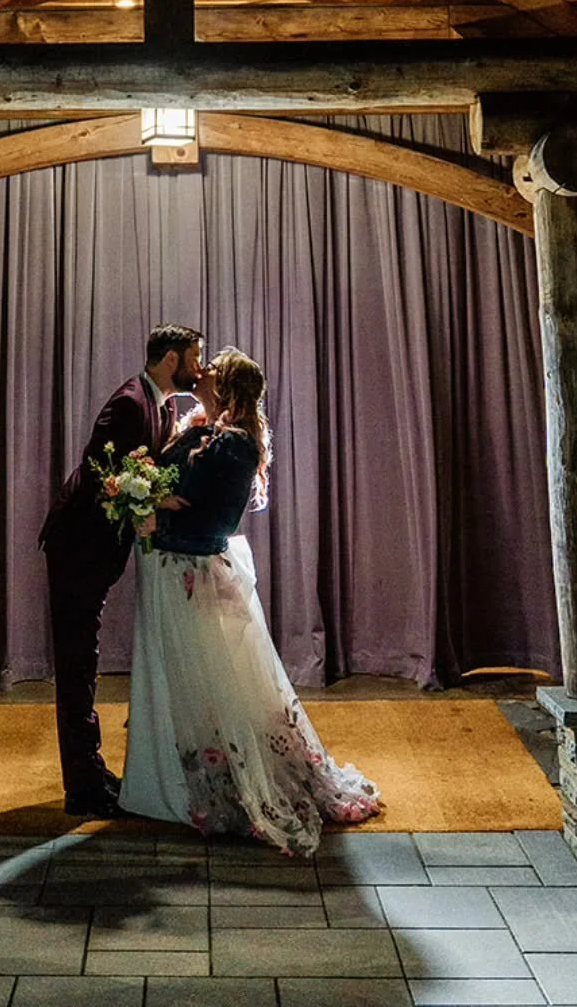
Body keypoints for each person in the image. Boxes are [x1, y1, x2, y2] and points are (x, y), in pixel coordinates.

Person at [121, 347, 382, 855]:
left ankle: (228, 786)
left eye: (210, 372)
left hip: (197, 572)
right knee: (186, 685)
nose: (200, 374)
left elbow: (217, 521)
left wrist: (162, 519)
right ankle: (175, 779)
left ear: (229, 389)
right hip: (171, 573)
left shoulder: (236, 446)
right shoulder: (195, 429)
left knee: (220, 686)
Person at [39, 322, 204, 816]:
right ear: (171, 359)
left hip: (95, 553)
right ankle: (82, 788)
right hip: (77, 550)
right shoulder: (132, 402)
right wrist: (155, 498)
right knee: (76, 668)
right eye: (196, 357)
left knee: (83, 663)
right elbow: (100, 476)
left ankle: (89, 771)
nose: (201, 367)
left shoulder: (164, 404)